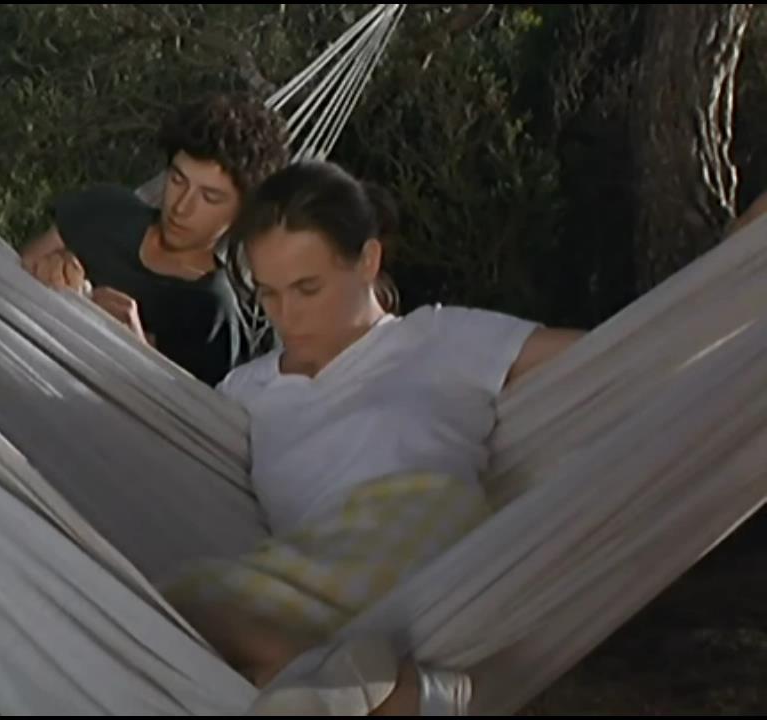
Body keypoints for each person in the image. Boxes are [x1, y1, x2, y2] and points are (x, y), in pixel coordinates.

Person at [159, 160, 585, 714]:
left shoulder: (439, 337)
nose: (287, 315)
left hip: (421, 534)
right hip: (308, 571)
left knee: (205, 611)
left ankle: (365, 686)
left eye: (308, 288)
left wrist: (702, 302)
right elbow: (166, 444)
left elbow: (618, 353)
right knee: (171, 612)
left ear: (368, 260)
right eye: (268, 294)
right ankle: (394, 695)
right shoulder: (246, 390)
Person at [19, 93, 291, 386]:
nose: (182, 206)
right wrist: (51, 268)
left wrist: (137, 351)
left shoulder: (212, 312)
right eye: (177, 180)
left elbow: (182, 410)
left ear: (242, 213)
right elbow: (13, 268)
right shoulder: (105, 209)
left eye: (210, 197)